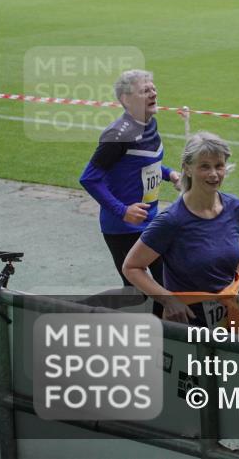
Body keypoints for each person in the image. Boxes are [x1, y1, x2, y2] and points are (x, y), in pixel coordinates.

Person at [123, 132, 239, 327]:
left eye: (219, 166)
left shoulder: (235, 208)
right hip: (187, 319)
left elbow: (238, 258)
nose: (214, 174)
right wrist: (167, 300)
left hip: (228, 310)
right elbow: (131, 267)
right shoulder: (171, 220)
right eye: (205, 166)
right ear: (187, 169)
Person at [79, 69, 181, 310]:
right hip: (122, 227)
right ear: (126, 99)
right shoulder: (118, 134)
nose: (153, 92)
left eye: (153, 88)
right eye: (145, 90)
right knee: (134, 293)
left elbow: (146, 162)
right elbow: (89, 178)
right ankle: (79, 310)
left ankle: (165, 337)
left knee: (165, 283)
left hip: (151, 220)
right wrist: (122, 210)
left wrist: (170, 174)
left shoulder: (149, 124)